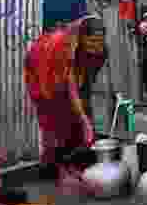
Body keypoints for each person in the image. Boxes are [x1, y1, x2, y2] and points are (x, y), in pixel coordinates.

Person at [24, 15, 107, 180]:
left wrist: (85, 117)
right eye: (91, 42)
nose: (96, 47)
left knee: (80, 115)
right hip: (44, 72)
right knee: (55, 120)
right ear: (81, 39)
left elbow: (85, 82)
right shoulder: (65, 50)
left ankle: (75, 159)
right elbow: (71, 86)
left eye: (99, 42)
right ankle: (52, 168)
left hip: (67, 72)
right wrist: (84, 119)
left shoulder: (101, 50)